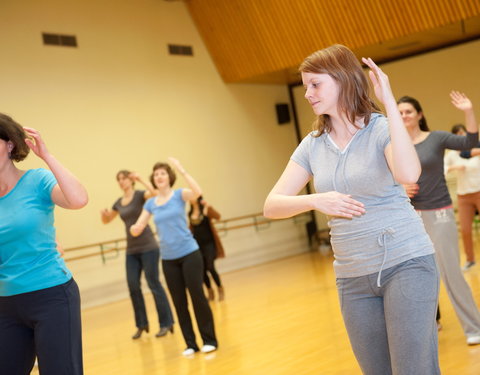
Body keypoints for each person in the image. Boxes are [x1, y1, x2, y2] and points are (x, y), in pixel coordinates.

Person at [264, 44, 440, 375]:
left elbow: (408, 174)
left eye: (315, 84)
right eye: (305, 87)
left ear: (343, 80)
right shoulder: (313, 144)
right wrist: (316, 200)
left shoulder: (380, 129)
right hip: (352, 277)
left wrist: (388, 101)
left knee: (413, 369)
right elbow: (272, 205)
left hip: (406, 263)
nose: (308, 94)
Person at [0, 114, 88, 375]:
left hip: (51, 296)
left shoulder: (37, 180)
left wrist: (47, 156)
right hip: (6, 303)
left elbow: (78, 200)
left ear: (9, 145)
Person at [399, 93, 480, 346]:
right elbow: (383, 177)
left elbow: (470, 141)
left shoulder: (435, 138)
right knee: (417, 275)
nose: (404, 116)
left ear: (419, 114)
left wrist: (468, 111)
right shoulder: (394, 146)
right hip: (411, 218)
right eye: (400, 112)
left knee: (450, 274)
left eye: (409, 112)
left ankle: (473, 327)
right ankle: (429, 326)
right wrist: (400, 187)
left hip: (440, 213)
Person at [130, 158, 218, 356]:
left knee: (197, 297)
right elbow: (140, 224)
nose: (159, 176)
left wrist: (183, 170)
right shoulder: (151, 203)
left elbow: (197, 192)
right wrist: (135, 229)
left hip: (190, 254)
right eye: (156, 174)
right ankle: (190, 344)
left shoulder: (179, 195)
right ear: (153, 179)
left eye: (162, 173)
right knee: (179, 302)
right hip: (169, 260)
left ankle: (209, 340)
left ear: (169, 177)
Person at [100, 170, 174, 339]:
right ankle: (142, 324)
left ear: (130, 180)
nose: (121, 182)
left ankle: (166, 322)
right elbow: (107, 220)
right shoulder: (118, 202)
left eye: (123, 178)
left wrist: (141, 179)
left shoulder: (141, 195)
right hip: (131, 250)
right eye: (118, 179)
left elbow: (156, 194)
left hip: (148, 246)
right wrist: (104, 215)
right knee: (133, 286)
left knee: (153, 283)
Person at [444, 123, 480, 270]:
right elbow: (442, 168)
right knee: (465, 229)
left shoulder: (476, 148)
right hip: (463, 195)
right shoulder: (452, 154)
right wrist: (454, 167)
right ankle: (470, 259)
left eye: (462, 133)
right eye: (457, 134)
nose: (460, 136)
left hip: (479, 190)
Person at [188, 196, 225, 301]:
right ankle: (210, 291)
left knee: (210, 267)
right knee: (202, 270)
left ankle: (220, 288)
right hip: (197, 245)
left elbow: (218, 216)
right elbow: (191, 229)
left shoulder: (205, 209)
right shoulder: (190, 213)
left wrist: (208, 207)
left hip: (209, 244)